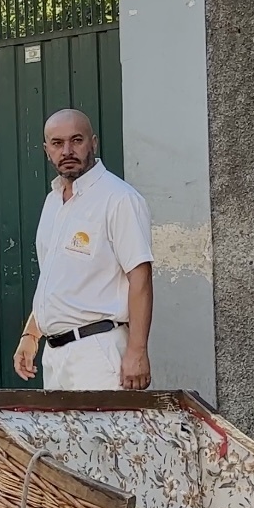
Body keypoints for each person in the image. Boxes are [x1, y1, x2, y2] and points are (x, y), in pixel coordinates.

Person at [11, 108, 155, 391]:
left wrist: (137, 351)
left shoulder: (118, 199)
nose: (67, 150)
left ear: (93, 143)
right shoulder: (53, 203)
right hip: (55, 357)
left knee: (107, 437)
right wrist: (31, 334)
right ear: (46, 150)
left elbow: (141, 278)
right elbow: (54, 280)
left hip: (98, 353)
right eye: (57, 143)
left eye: (76, 140)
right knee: (61, 437)